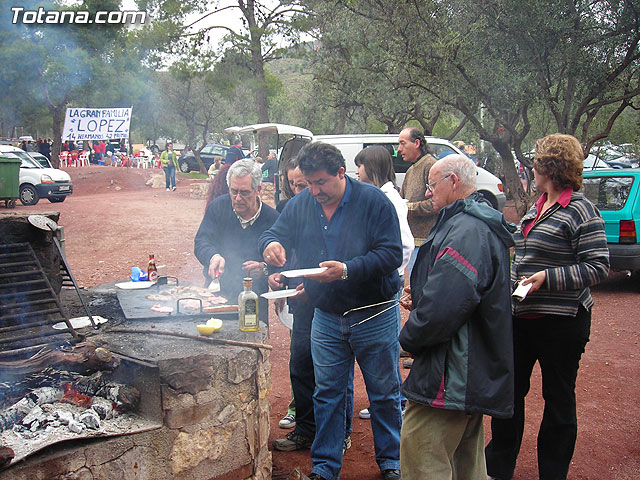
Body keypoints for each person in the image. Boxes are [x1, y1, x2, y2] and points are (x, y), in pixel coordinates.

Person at [259, 142, 403, 480]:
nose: (315, 191)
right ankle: (325, 468)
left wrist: (347, 269)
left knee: (383, 392)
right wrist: (271, 246)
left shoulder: (373, 202)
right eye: (309, 183)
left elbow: (392, 254)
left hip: (375, 313)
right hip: (326, 315)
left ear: (342, 173)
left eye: (321, 182)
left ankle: (391, 464)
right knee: (327, 394)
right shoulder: (301, 204)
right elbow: (274, 232)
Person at [485, 134, 610, 480]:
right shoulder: (538, 204)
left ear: (550, 167)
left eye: (536, 162)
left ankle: (553, 473)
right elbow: (523, 255)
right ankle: (498, 467)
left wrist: (545, 278)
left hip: (562, 324)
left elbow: (598, 266)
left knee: (558, 400)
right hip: (523, 320)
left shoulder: (582, 210)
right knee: (508, 396)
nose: (531, 168)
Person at [398, 154, 516, 480]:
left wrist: (409, 338)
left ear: (452, 182)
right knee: (466, 462)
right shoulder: (474, 224)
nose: (426, 193)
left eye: (431, 185)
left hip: (451, 375)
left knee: (423, 454)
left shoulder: (466, 231)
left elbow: (445, 306)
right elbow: (459, 294)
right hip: (466, 371)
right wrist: (422, 297)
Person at [354, 146, 414, 420]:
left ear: (372, 167)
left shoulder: (389, 199)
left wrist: (392, 271)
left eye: (360, 166)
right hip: (383, 278)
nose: (356, 172)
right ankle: (392, 397)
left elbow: (404, 244)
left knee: (386, 344)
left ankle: (396, 399)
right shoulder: (378, 196)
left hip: (387, 281)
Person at [194, 159, 279, 325]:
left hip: (254, 298)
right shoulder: (218, 208)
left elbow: (284, 259)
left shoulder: (272, 219)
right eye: (234, 191)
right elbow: (201, 242)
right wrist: (213, 256)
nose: (238, 198)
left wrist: (265, 268)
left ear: (258, 190)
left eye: (245, 192)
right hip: (217, 293)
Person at [398, 126, 439, 369]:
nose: (399, 149)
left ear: (417, 143)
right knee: (414, 294)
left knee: (421, 295)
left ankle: (420, 350)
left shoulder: (430, 166)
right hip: (413, 241)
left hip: (425, 242)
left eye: (403, 143)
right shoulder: (413, 169)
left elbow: (434, 204)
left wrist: (408, 208)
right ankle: (414, 344)